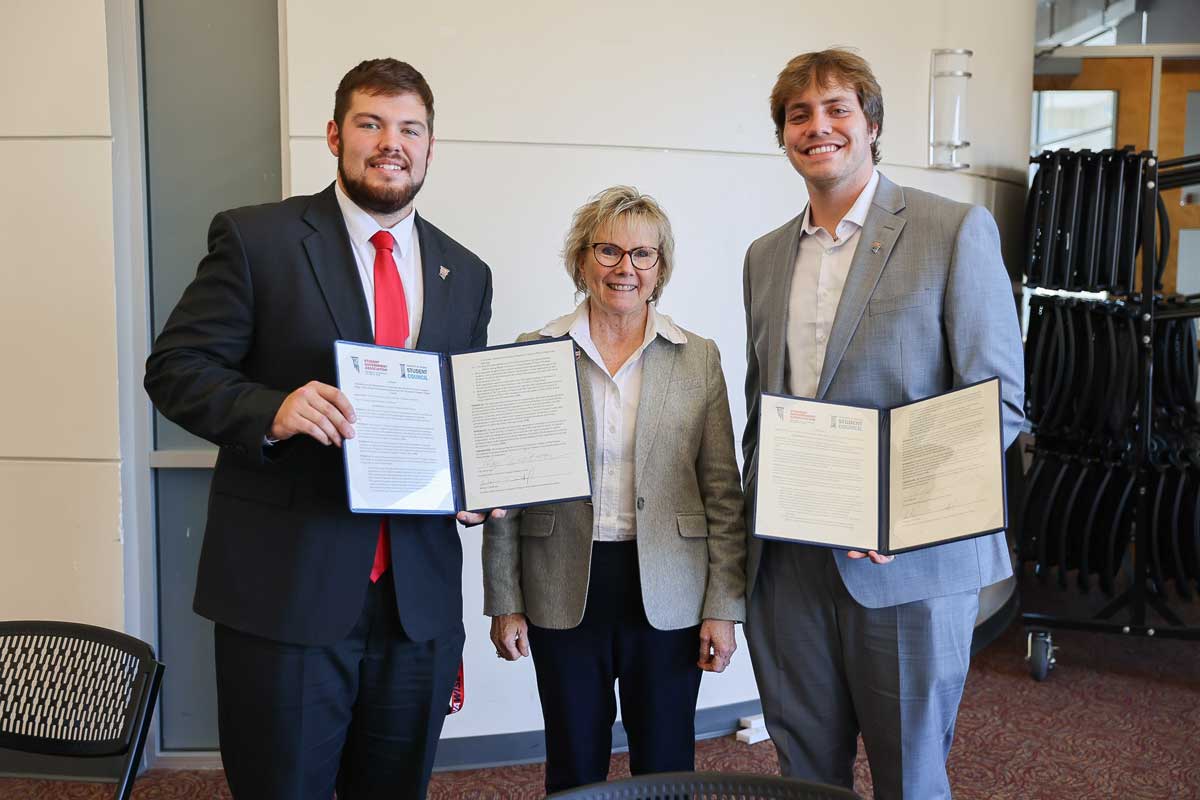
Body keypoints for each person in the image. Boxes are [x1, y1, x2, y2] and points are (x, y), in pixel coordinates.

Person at [144, 59, 493, 799]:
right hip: (287, 592)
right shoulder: (257, 240)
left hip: (417, 603)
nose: (389, 143)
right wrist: (269, 410)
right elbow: (175, 368)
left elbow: (461, 413)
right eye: (370, 123)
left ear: (431, 146)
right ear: (336, 134)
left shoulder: (465, 272)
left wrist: (478, 478)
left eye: (409, 128)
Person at [741, 49, 1024, 799]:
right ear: (783, 135)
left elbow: (997, 400)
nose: (818, 126)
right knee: (804, 776)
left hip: (908, 565)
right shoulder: (764, 257)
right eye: (798, 114)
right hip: (790, 564)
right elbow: (761, 407)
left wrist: (899, 509)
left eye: (836, 109)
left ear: (871, 125)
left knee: (910, 779)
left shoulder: (953, 230)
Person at [482, 186, 746, 794]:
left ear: (660, 270)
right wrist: (505, 597)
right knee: (574, 761)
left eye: (643, 255)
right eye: (608, 250)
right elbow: (507, 489)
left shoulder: (698, 358)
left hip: (672, 590)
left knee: (666, 761)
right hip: (562, 582)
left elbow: (722, 496)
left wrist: (722, 607)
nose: (625, 268)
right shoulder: (534, 352)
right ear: (581, 261)